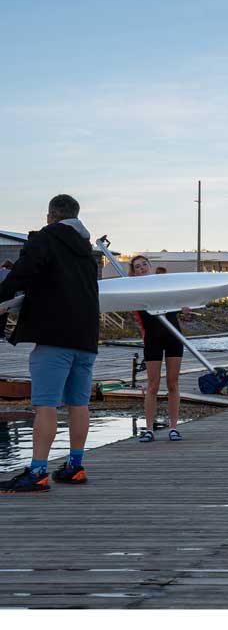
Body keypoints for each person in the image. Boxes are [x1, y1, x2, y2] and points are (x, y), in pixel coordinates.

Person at [1, 194, 100, 495]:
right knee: (78, 404)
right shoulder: (86, 249)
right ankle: (75, 466)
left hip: (55, 337)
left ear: (49, 216)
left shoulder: (46, 239)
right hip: (86, 338)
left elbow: (22, 273)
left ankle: (38, 472)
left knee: (44, 405)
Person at [127, 255, 186, 443]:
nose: (142, 268)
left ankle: (174, 428)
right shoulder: (134, 292)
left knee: (173, 383)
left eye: (145, 264)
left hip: (173, 337)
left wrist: (185, 307)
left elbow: (179, 303)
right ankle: (150, 429)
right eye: (138, 267)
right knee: (153, 385)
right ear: (134, 272)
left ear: (150, 266)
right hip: (152, 339)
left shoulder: (164, 286)